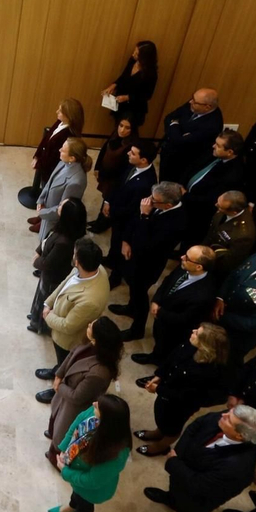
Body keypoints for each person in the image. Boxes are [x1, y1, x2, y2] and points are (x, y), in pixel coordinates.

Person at [145, 405, 256, 512]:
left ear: (240, 435)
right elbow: (194, 427)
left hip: (200, 499)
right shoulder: (221, 419)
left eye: (229, 418)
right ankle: (172, 499)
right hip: (184, 472)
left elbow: (198, 486)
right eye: (229, 412)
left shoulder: (238, 466)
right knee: (176, 489)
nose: (223, 415)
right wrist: (179, 455)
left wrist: (174, 463)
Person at [134, 322, 231, 457]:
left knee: (172, 427)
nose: (193, 330)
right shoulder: (189, 346)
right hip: (167, 392)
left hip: (180, 405)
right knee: (162, 416)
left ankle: (160, 446)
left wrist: (159, 389)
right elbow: (172, 359)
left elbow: (186, 395)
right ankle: (158, 432)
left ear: (204, 346)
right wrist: (159, 375)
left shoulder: (208, 371)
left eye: (197, 333)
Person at [108, 180, 187, 341]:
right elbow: (133, 220)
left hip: (148, 264)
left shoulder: (176, 222)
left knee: (140, 295)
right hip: (134, 255)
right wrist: (126, 240)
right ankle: (131, 308)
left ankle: (137, 329)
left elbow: (149, 245)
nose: (148, 201)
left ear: (168, 205)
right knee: (132, 287)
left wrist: (144, 216)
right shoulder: (154, 204)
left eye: (154, 200)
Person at [48, 395, 132, 512]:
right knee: (76, 494)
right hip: (78, 478)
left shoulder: (116, 454)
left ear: (107, 419)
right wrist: (64, 449)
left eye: (98, 406)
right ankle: (71, 506)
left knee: (85, 506)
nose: (93, 403)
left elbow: (92, 481)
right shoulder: (93, 414)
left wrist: (66, 472)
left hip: (91, 490)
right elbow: (75, 425)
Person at [37, 239, 109, 394]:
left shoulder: (91, 300)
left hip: (67, 339)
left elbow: (68, 326)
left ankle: (58, 388)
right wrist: (48, 303)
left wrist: (47, 316)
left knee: (66, 363)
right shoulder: (90, 269)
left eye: (75, 254)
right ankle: (57, 370)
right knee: (60, 362)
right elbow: (65, 284)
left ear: (78, 262)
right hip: (57, 317)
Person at [131, 245, 217, 367]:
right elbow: (167, 281)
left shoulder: (204, 295)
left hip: (174, 330)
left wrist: (159, 312)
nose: (182, 257)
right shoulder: (185, 266)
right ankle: (154, 356)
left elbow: (184, 319)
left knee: (166, 350)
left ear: (199, 267)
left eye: (187, 257)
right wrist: (156, 300)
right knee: (159, 342)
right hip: (162, 318)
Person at [44, 316, 123, 447]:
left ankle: (55, 454)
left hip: (73, 407)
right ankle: (52, 434)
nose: (88, 324)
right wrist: (59, 374)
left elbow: (77, 397)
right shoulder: (89, 344)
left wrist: (59, 385)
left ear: (97, 337)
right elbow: (72, 355)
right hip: (65, 395)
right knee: (56, 419)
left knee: (63, 432)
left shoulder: (98, 373)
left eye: (91, 326)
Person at [178, 130, 247, 249]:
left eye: (218, 145)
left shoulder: (233, 174)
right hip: (187, 198)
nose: (213, 146)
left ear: (230, 152)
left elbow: (211, 200)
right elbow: (192, 166)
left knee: (191, 236)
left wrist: (186, 196)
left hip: (200, 211)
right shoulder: (215, 154)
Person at [28, 199, 88, 335]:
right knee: (40, 297)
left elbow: (48, 264)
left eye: (61, 205)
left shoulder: (64, 243)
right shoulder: (63, 228)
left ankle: (39, 326)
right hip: (49, 276)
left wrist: (36, 261)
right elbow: (48, 238)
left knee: (45, 301)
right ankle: (34, 317)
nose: (58, 205)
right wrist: (39, 250)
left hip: (53, 279)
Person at [99, 139, 157, 262]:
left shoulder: (146, 183)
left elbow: (132, 210)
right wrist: (108, 201)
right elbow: (118, 183)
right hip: (116, 211)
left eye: (133, 153)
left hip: (125, 221)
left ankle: (115, 273)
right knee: (114, 241)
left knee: (120, 246)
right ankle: (111, 258)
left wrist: (113, 213)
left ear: (143, 160)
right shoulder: (131, 164)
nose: (128, 154)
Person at [158, 87, 224, 186]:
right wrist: (177, 130)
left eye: (195, 101)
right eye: (192, 98)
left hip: (182, 163)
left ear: (207, 107)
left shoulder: (213, 125)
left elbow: (179, 141)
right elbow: (169, 117)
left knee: (169, 188)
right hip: (168, 152)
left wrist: (175, 124)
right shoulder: (194, 103)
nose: (190, 102)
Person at [33, 137, 88, 245]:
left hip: (54, 222)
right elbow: (50, 183)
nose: (59, 150)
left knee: (46, 245)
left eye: (63, 150)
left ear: (72, 158)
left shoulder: (76, 182)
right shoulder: (63, 162)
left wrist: (42, 213)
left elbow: (63, 210)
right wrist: (41, 200)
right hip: (47, 213)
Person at [28, 98, 85, 196]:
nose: (57, 112)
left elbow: (54, 157)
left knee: (48, 190)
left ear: (69, 116)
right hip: (44, 165)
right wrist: (37, 156)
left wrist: (39, 165)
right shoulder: (60, 122)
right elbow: (46, 139)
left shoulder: (70, 135)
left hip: (51, 170)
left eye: (60, 111)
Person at [88, 117, 136, 230]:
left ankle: (102, 224)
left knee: (109, 201)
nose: (122, 130)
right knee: (105, 198)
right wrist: (97, 167)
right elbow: (103, 151)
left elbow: (123, 169)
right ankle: (98, 220)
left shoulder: (130, 146)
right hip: (105, 175)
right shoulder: (114, 136)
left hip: (114, 179)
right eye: (121, 126)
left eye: (127, 128)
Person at [100, 40, 157, 129]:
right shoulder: (132, 61)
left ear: (145, 57)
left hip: (134, 108)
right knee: (117, 128)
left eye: (137, 53)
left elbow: (147, 95)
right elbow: (123, 77)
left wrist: (127, 97)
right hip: (121, 103)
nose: (133, 54)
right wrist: (114, 85)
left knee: (126, 132)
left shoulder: (151, 73)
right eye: (134, 51)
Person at [201, 191, 255, 276]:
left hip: (216, 264)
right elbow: (212, 232)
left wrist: (206, 266)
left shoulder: (243, 235)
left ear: (234, 212)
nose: (216, 205)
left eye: (220, 207)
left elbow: (229, 262)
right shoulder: (224, 209)